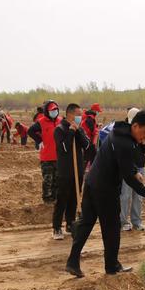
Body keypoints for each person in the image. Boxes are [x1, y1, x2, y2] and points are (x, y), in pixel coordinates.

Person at [66, 110, 145, 278]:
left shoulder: (119, 131)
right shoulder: (124, 142)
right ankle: (112, 266)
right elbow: (129, 177)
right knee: (111, 228)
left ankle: (72, 262)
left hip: (91, 182)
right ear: (135, 126)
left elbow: (124, 161)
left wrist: (133, 170)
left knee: (87, 222)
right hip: (105, 188)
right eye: (144, 132)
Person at [52, 103, 95, 240]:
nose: (80, 117)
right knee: (62, 199)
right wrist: (70, 131)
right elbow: (64, 148)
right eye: (78, 115)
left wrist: (78, 132)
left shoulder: (80, 129)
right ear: (70, 114)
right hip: (65, 171)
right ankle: (57, 227)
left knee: (74, 198)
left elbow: (87, 146)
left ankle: (70, 223)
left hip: (78, 170)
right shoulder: (60, 129)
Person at [120, 107, 145, 231]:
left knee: (138, 196)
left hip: (140, 166)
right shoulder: (124, 131)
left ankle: (137, 222)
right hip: (127, 167)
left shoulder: (143, 131)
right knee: (125, 195)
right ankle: (123, 222)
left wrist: (144, 143)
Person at [27, 100, 62, 203]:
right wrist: (39, 140)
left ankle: (54, 198)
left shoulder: (61, 121)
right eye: (52, 110)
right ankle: (47, 199)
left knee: (57, 179)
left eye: (56, 110)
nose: (54, 112)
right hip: (47, 157)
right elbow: (30, 131)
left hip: (59, 156)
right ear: (47, 111)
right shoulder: (41, 122)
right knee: (48, 179)